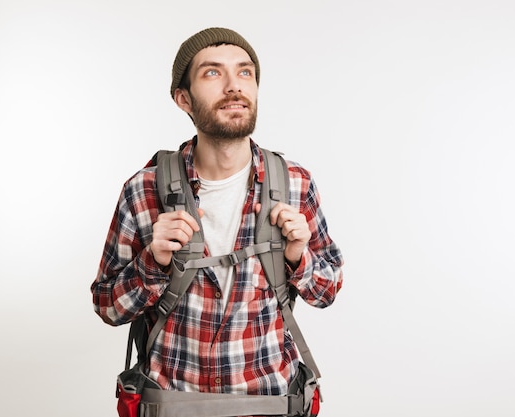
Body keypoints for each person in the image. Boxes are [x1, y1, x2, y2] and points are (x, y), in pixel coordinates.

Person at [90, 26, 344, 411]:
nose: (233, 86)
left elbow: (326, 291)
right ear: (183, 99)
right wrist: (152, 263)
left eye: (245, 72)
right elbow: (108, 306)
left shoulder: (294, 183)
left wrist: (297, 256)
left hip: (271, 403)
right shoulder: (143, 191)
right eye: (212, 73)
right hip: (174, 404)